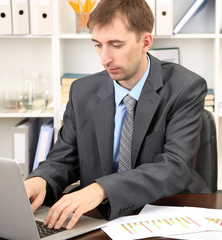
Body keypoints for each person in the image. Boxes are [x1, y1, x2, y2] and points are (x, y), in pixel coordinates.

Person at [25, 0, 210, 232]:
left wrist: (100, 188)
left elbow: (175, 167)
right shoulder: (82, 91)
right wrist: (40, 179)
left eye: (115, 45)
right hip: (100, 218)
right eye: (98, 45)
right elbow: (64, 158)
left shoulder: (185, 87)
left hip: (166, 213)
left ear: (145, 42)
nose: (104, 59)